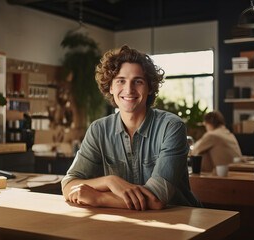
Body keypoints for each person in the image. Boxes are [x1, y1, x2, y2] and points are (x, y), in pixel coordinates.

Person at [61, 45, 202, 211]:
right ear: (111, 87)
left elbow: (156, 199)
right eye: (121, 81)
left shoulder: (171, 127)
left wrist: (98, 197)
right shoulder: (98, 130)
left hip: (182, 223)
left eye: (138, 81)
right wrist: (110, 181)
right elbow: (69, 183)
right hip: (127, 223)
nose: (129, 89)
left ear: (150, 88)